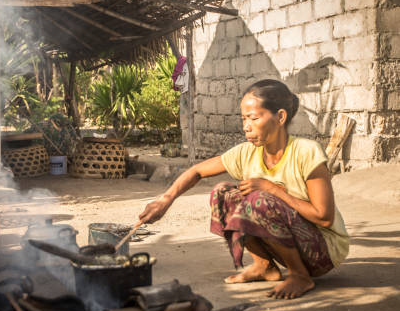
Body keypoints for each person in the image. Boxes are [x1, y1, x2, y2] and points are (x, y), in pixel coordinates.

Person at [138, 79, 349, 299]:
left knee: (260, 200)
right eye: (244, 119)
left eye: (254, 118)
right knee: (223, 193)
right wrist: (165, 200)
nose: (246, 126)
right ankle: (264, 266)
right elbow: (198, 171)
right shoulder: (247, 153)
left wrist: (272, 189)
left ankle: (300, 275)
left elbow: (324, 217)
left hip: (322, 250)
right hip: (292, 240)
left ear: (280, 117)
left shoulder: (306, 152)